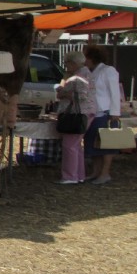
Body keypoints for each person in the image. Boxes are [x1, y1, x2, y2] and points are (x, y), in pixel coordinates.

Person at [55, 51, 96, 184]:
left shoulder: (79, 76)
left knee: (69, 145)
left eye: (66, 63)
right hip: (85, 112)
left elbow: (81, 96)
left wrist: (63, 93)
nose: (66, 66)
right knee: (76, 145)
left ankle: (70, 176)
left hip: (76, 114)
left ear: (73, 63)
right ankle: (79, 175)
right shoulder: (84, 73)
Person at [83, 44, 122, 185]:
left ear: (92, 57)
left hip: (106, 113)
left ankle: (105, 173)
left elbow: (115, 92)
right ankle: (96, 171)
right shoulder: (90, 72)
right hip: (93, 113)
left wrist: (115, 113)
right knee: (93, 144)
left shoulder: (108, 70)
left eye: (85, 57)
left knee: (106, 144)